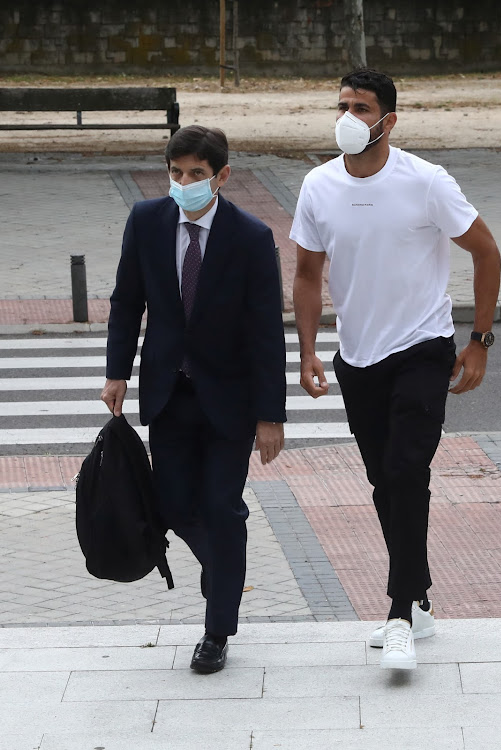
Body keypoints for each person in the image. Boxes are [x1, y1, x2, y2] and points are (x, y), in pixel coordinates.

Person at [291, 68, 501, 671]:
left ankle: (400, 612)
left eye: (361, 108)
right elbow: (307, 275)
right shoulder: (318, 185)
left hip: (422, 348)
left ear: (389, 120)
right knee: (387, 480)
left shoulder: (426, 182)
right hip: (357, 357)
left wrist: (480, 339)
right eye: (342, 105)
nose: (348, 117)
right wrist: (307, 351)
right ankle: (421, 596)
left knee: (407, 470)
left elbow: (485, 251)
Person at [101, 125, 286, 674]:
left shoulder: (251, 237)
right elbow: (125, 300)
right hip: (169, 393)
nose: (184, 183)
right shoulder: (146, 221)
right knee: (176, 505)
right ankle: (224, 569)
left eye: (197, 175)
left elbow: (264, 334)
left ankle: (216, 631)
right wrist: (117, 372)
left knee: (221, 508)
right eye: (176, 173)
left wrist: (270, 416)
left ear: (221, 177)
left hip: (230, 401)